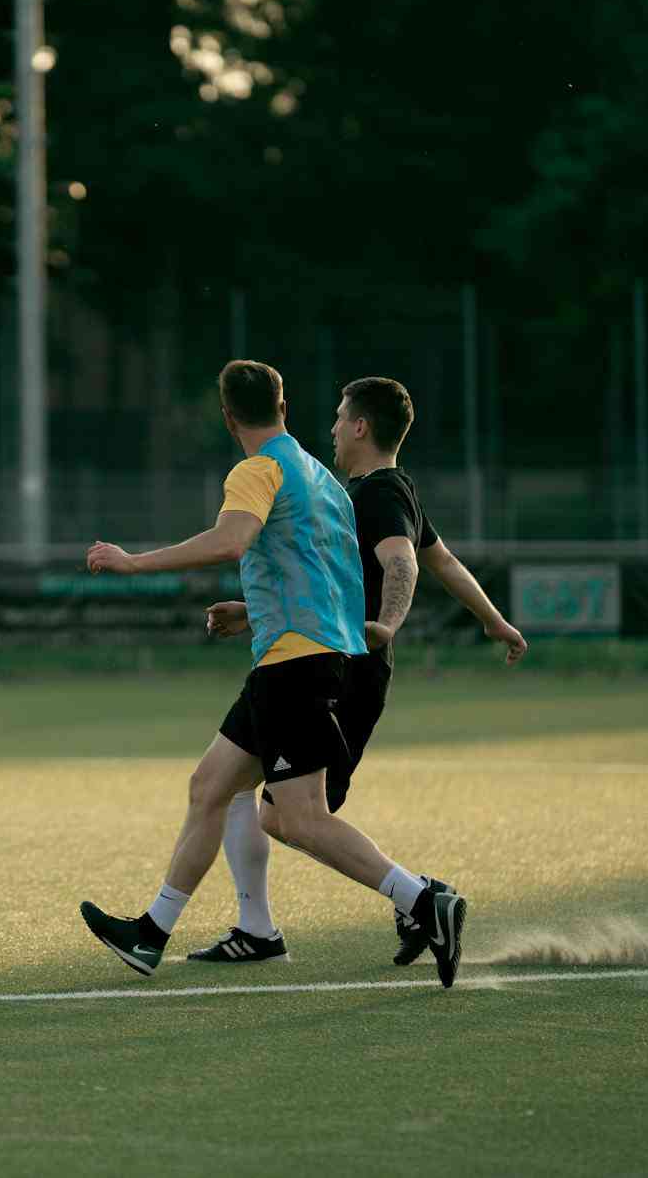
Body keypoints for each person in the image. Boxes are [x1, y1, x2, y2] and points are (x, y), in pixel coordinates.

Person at [78, 361, 469, 988]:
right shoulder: (320, 476)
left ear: (227, 417)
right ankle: (152, 932)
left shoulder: (258, 470)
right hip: (302, 659)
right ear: (283, 407)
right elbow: (330, 573)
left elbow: (232, 541)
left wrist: (134, 563)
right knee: (210, 787)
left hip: (295, 666)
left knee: (299, 819)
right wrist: (257, 612)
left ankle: (423, 900)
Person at [191, 377, 528, 968]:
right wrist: (494, 620)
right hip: (325, 659)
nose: (332, 429)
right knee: (243, 793)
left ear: (361, 426)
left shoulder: (376, 493)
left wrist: (389, 625)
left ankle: (419, 899)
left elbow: (403, 563)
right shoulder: (385, 491)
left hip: (341, 670)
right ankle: (267, 927)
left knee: (289, 816)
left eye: (340, 417)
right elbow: (443, 561)